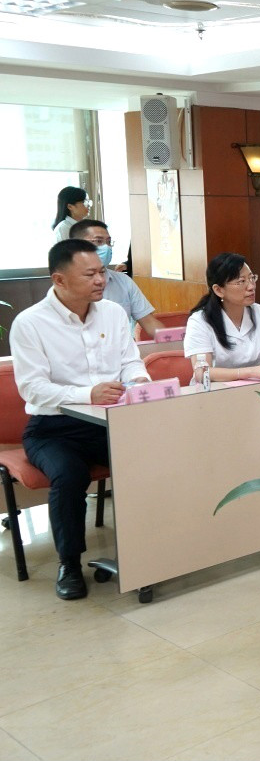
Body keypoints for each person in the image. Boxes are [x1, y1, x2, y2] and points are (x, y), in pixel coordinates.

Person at [10, 239, 150, 600]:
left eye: (102, 272)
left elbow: (130, 361)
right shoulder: (30, 323)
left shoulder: (113, 313)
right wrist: (88, 394)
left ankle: (152, 549)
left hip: (109, 421)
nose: (101, 280)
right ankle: (69, 564)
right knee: (69, 475)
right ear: (59, 279)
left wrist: (139, 383)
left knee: (149, 460)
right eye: (90, 275)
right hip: (52, 429)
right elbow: (33, 389)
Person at [184, 253, 260, 382]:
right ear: (218, 290)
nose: (251, 287)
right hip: (216, 390)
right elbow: (202, 372)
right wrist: (251, 372)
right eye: (241, 281)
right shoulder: (200, 321)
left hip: (258, 386)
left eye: (252, 278)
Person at [68, 219, 165, 339]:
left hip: (122, 349)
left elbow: (149, 322)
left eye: (108, 242)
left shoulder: (123, 281)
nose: (106, 248)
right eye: (98, 241)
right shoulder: (67, 285)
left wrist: (173, 340)